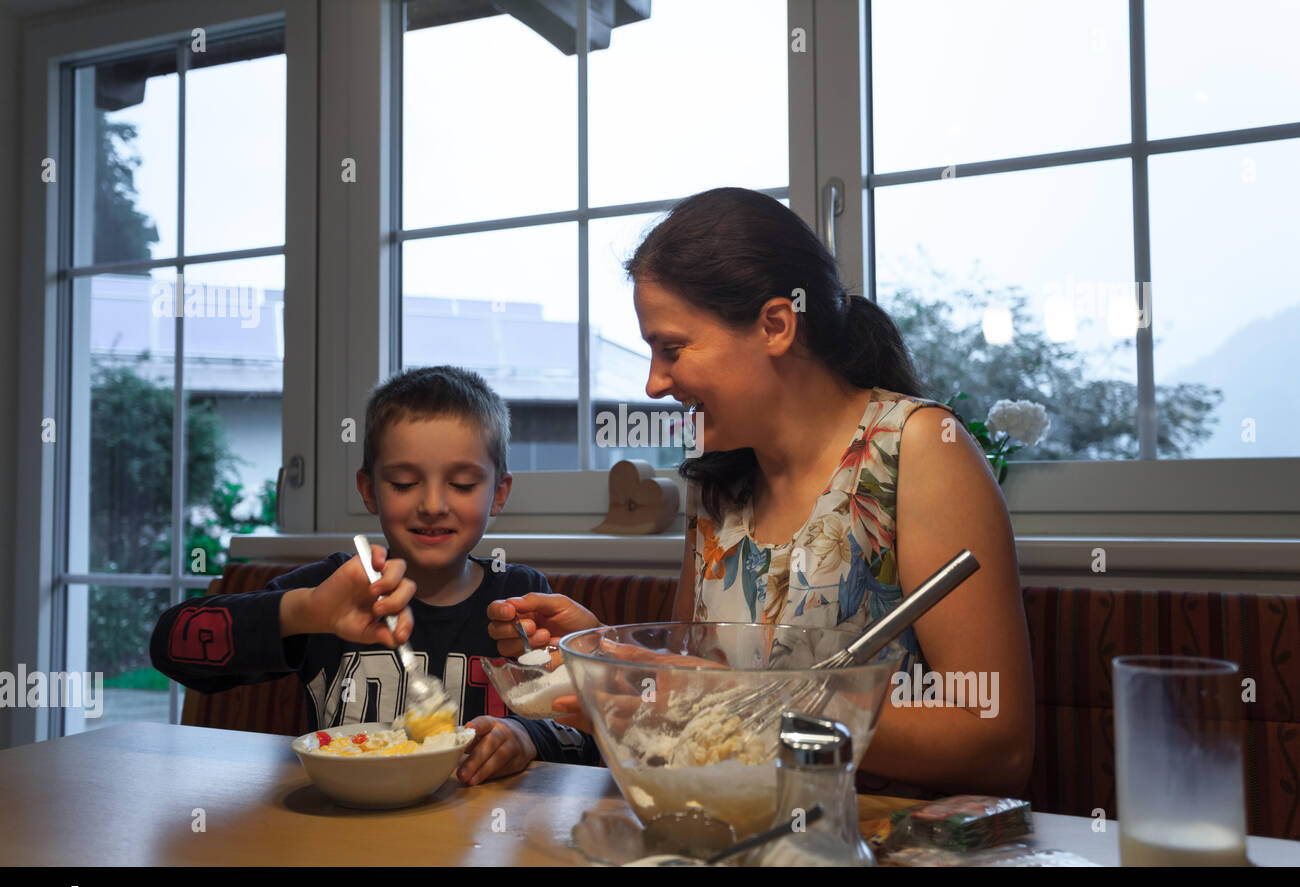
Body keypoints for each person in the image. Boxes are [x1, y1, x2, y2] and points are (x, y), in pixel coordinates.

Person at [489, 187, 1033, 798]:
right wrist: (609, 659)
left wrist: (723, 696)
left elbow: (998, 743)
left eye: (672, 348)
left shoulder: (922, 450)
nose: (654, 382)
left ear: (775, 325)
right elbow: (704, 693)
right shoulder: (718, 486)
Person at [151, 365, 598, 785]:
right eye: (404, 483)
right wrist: (303, 612)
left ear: (498, 493)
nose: (433, 504)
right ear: (369, 490)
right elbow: (171, 646)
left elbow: (586, 736)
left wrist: (525, 738)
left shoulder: (521, 598)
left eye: (462, 484)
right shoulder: (333, 590)